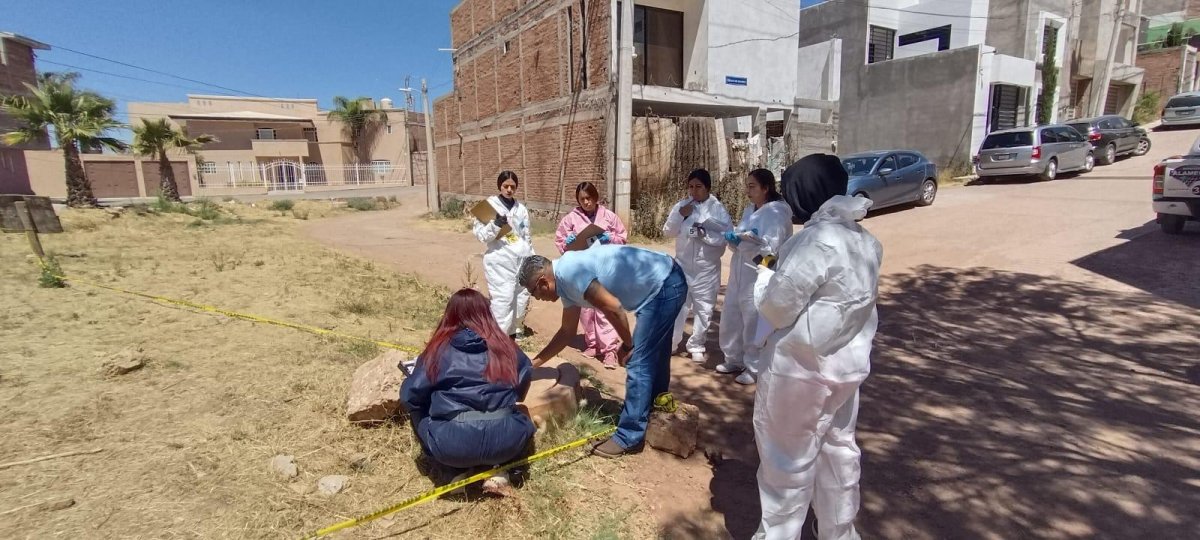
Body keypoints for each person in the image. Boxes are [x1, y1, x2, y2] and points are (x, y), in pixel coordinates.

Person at [750, 154, 883, 540]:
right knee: (838, 455)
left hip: (800, 373)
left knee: (785, 467)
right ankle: (838, 533)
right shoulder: (866, 241)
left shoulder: (816, 240)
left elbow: (777, 307)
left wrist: (764, 277)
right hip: (844, 372)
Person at [517, 246, 687, 458]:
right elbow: (566, 332)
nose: (537, 298)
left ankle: (628, 437)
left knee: (638, 362)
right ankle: (656, 404)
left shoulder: (570, 273)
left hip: (664, 286)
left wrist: (627, 345)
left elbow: (614, 308)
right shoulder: (564, 283)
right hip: (667, 279)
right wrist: (532, 364)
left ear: (543, 282)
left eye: (533, 293)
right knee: (655, 353)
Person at [400, 288, 537, 494]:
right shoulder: (506, 346)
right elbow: (523, 380)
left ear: (450, 315)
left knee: (416, 411)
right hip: (506, 441)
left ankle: (452, 472)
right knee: (519, 413)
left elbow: (410, 396)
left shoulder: (438, 349)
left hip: (452, 444)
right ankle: (500, 470)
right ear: (486, 314)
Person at [717, 168, 794, 385]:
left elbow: (772, 248)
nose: (748, 191)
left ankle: (753, 367)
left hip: (759, 272)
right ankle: (733, 358)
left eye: (752, 186)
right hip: (739, 270)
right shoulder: (750, 209)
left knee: (753, 319)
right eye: (747, 186)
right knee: (732, 314)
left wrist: (749, 243)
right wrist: (734, 239)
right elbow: (741, 238)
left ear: (766, 188)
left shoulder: (776, 213)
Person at [554, 182, 629, 369]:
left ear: (596, 197)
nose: (586, 202)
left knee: (605, 308)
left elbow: (622, 237)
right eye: (582, 199)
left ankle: (609, 350)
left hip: (605, 267)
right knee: (586, 309)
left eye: (589, 198)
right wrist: (567, 243)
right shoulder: (571, 219)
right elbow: (560, 241)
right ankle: (592, 343)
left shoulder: (609, 217)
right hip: (582, 268)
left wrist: (609, 238)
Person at [663, 168, 733, 365]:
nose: (694, 191)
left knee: (704, 308)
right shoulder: (682, 205)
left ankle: (696, 345)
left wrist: (706, 236)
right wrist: (680, 215)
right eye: (691, 187)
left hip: (706, 268)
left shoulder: (717, 209)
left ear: (708, 187)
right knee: (679, 306)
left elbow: (725, 238)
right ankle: (672, 343)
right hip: (683, 265)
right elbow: (668, 231)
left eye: (698, 187)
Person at [472, 171, 535, 339]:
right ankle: (498, 337)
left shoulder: (521, 209)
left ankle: (515, 331)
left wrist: (531, 256)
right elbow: (481, 236)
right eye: (505, 186)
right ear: (499, 186)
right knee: (504, 298)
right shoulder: (489, 206)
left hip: (521, 258)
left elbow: (526, 235)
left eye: (512, 187)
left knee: (521, 296)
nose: (509, 189)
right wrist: (495, 225)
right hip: (500, 260)